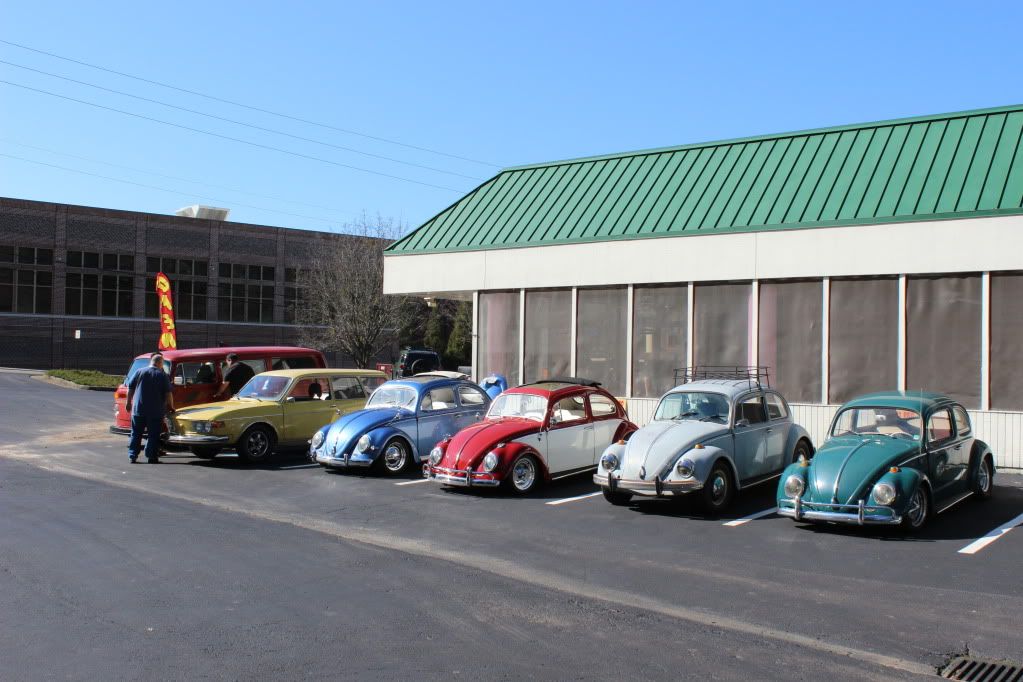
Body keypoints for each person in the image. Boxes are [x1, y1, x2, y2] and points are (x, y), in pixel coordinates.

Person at [126, 353, 174, 463]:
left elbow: (130, 388)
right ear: (160, 363)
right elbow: (168, 393)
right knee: (153, 434)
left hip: (138, 410)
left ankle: (132, 455)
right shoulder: (162, 375)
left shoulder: (139, 372)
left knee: (136, 433)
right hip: (155, 411)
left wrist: (128, 403)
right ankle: (151, 456)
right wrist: (171, 406)